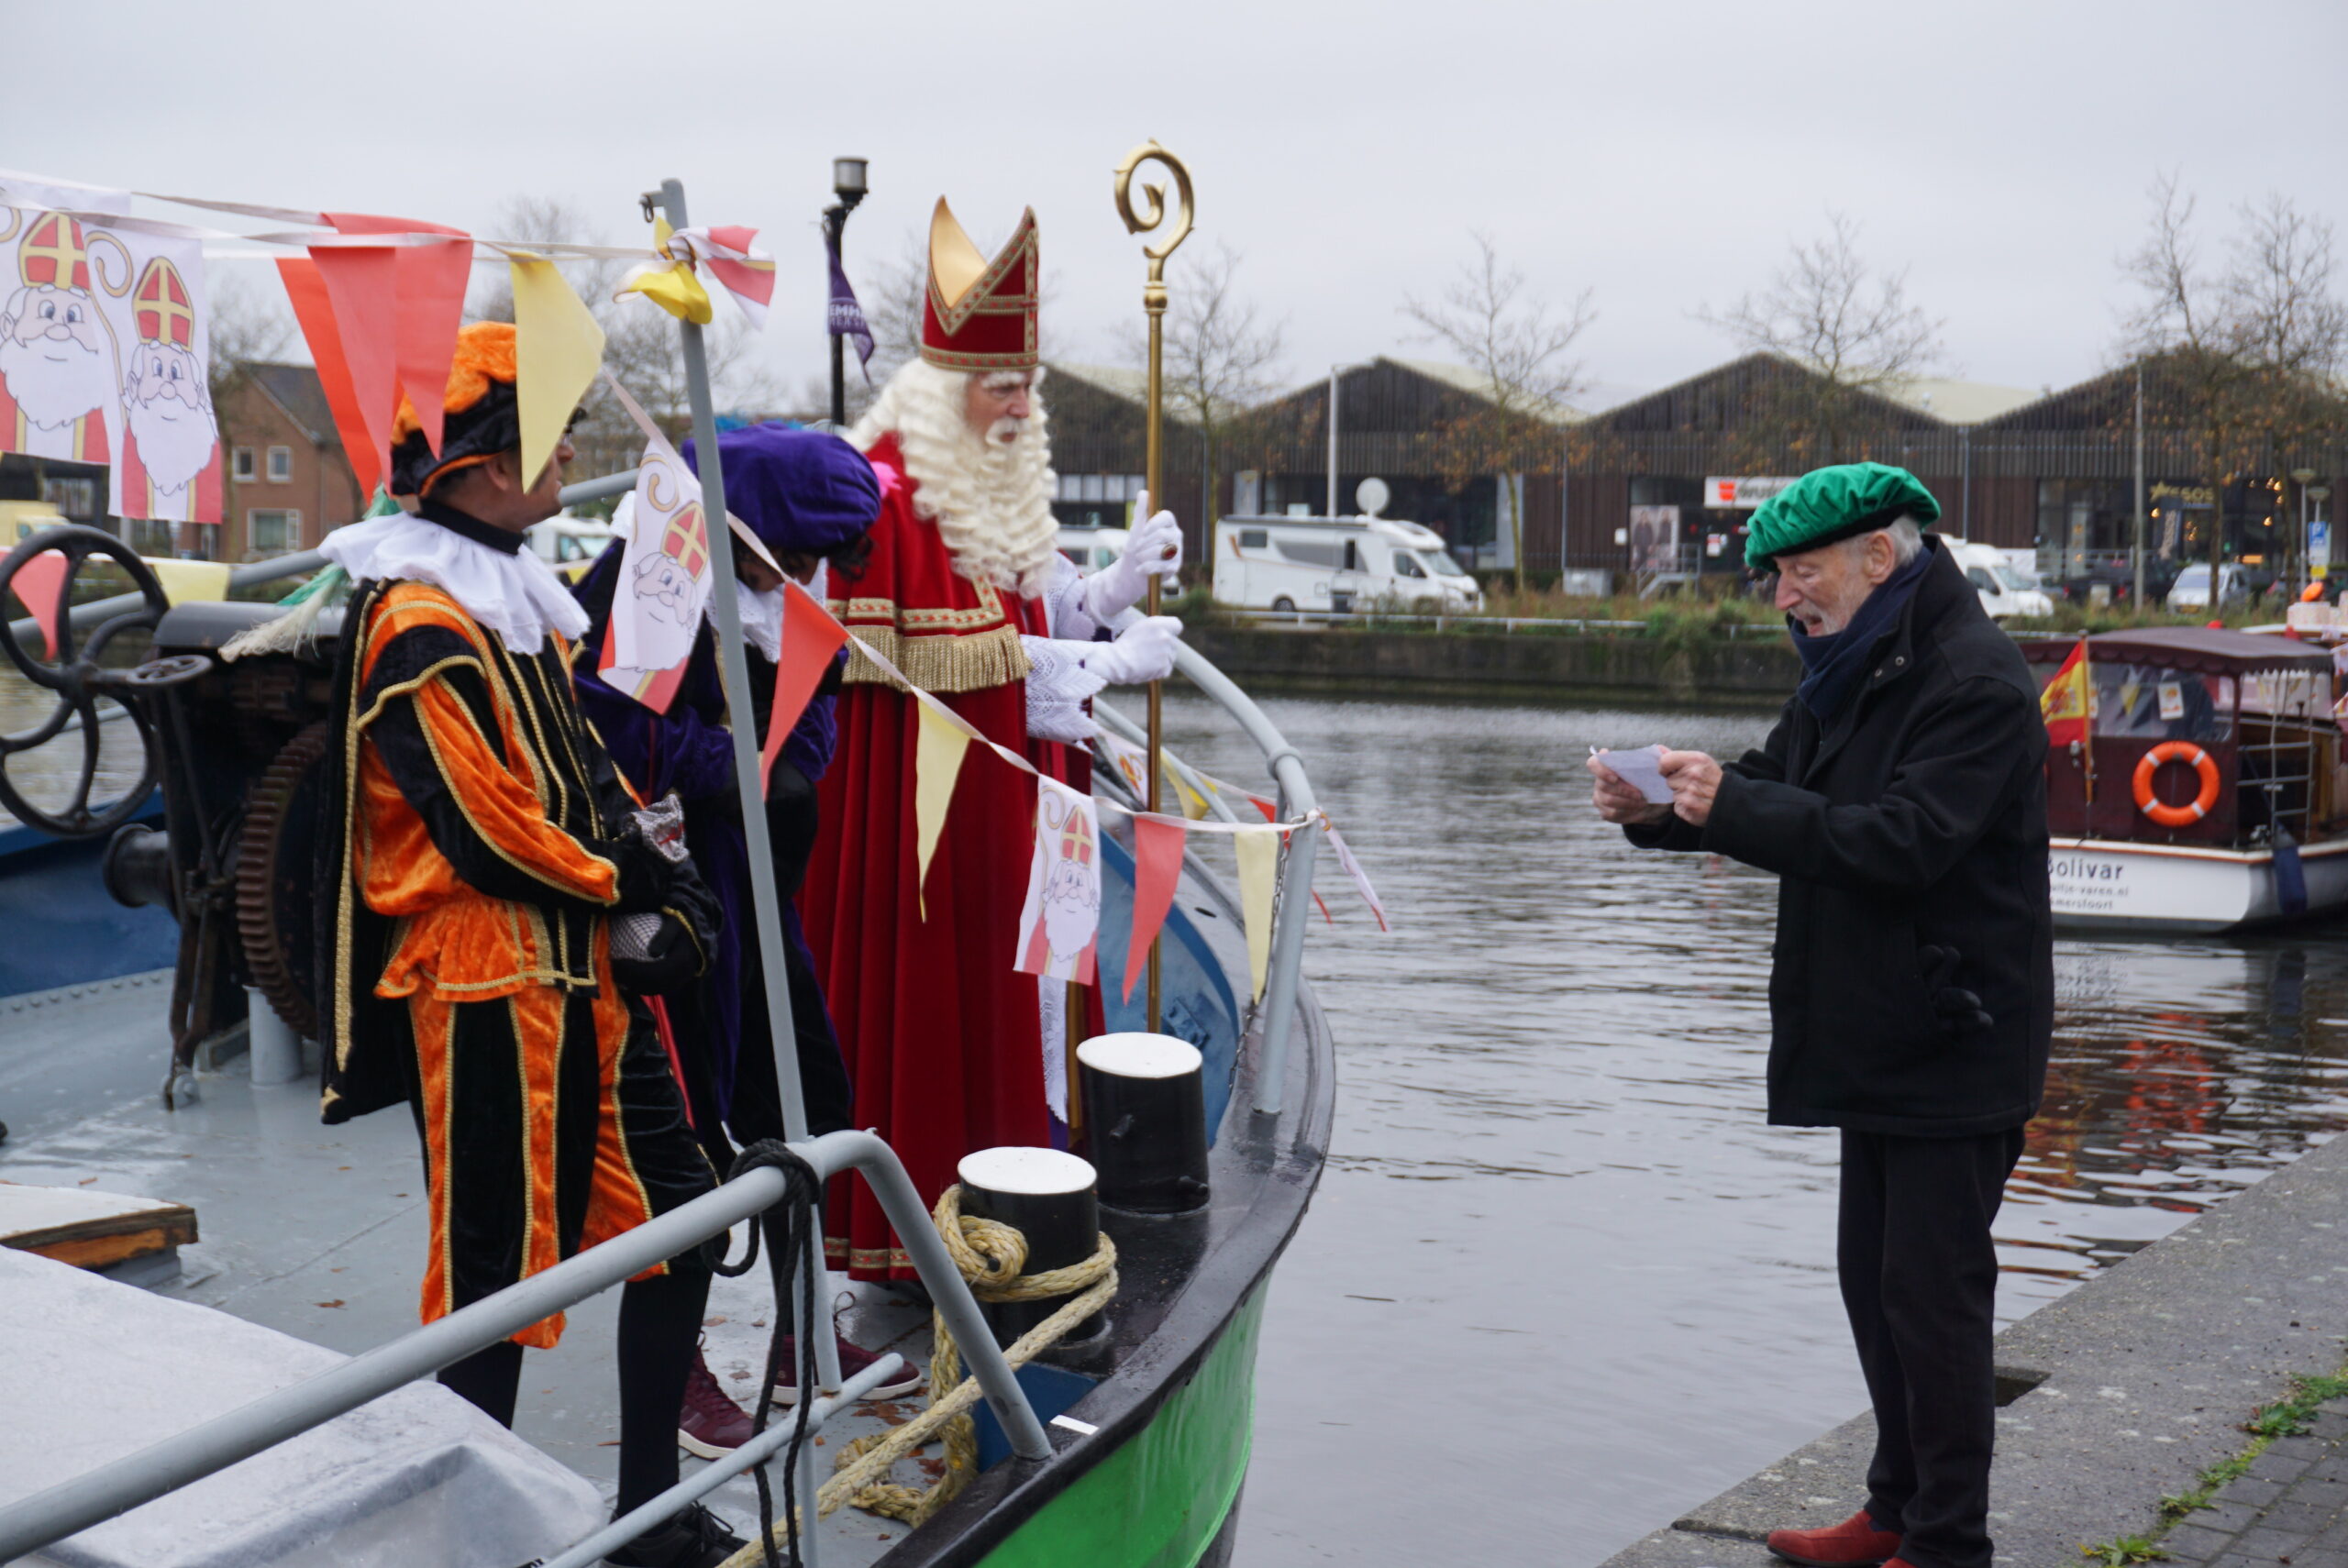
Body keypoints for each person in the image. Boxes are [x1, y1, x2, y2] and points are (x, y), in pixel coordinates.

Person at [314, 322, 742, 1568]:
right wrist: (629, 881)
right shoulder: (415, 620)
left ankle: (647, 1510)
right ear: (488, 470)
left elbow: (583, 769)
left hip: (580, 967)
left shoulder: (510, 604)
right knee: (494, 1277)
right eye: (551, 440)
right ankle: (471, 1541)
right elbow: (482, 826)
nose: (569, 459)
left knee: (685, 1219)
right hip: (486, 976)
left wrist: (670, 876)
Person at [1588, 463, 2052, 1568]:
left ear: (1876, 557)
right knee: (1874, 1288)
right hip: (1879, 1027)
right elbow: (1770, 783)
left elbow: (1904, 842)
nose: (1783, 597)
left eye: (1799, 573)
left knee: (1932, 1299)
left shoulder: (1974, 681)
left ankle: (1947, 1544)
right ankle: (1894, 1509)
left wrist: (1731, 805)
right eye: (1776, 577)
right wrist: (1658, 808)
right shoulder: (1849, 665)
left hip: (1956, 1033)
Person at [801, 197, 1184, 1279]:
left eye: (1028, 383)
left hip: (1011, 797)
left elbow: (1019, 610)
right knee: (946, 1008)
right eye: (1001, 385)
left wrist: (1106, 592)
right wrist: (1104, 666)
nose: (1021, 404)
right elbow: (946, 666)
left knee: (1025, 1003)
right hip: (934, 822)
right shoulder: (892, 488)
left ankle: (1024, 1198)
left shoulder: (985, 472)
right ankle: (930, 1232)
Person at [572, 423, 920, 1456]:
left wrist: (783, 762)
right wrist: (732, 767)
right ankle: (677, 1369)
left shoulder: (785, 597)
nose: (804, 577)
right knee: (678, 1130)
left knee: (805, 1099)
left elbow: (815, 712)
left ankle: (802, 1336)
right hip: (671, 890)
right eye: (794, 554)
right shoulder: (647, 577)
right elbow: (606, 723)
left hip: (765, 895)